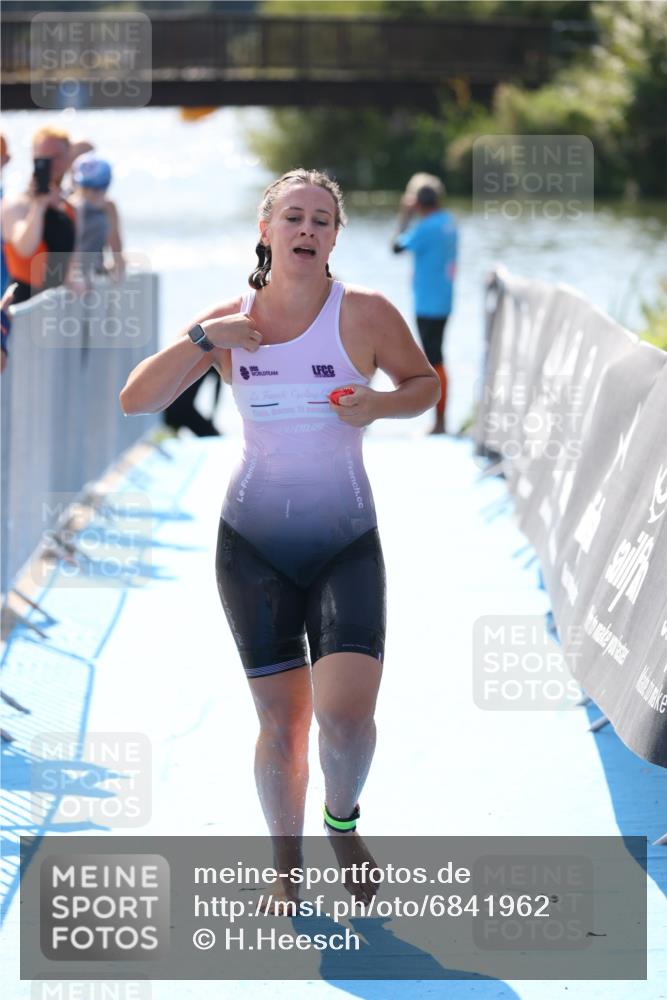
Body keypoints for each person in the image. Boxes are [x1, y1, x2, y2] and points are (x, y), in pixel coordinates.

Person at [119, 168, 440, 907]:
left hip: (345, 539)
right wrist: (205, 338)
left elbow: (423, 385)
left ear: (333, 236)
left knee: (347, 712)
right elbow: (136, 399)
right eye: (292, 217)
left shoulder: (363, 313)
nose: (306, 230)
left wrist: (381, 405)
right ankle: (285, 863)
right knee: (283, 722)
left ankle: (342, 819)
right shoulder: (232, 321)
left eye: (321, 220)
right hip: (253, 546)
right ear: (265, 230)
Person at [392, 172, 458, 435]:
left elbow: (395, 247)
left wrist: (404, 217)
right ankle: (441, 420)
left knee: (433, 359)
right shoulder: (449, 222)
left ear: (417, 202)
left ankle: (440, 422)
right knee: (437, 355)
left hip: (427, 303)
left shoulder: (425, 228)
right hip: (445, 298)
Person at [2, 126, 77, 304]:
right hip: (25, 304)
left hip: (58, 304)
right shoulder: (16, 204)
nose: (51, 163)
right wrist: (39, 205)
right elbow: (24, 248)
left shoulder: (69, 207)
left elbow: (73, 260)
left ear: (68, 158)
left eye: (57, 156)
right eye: (44, 157)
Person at [70, 152, 125, 283]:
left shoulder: (108, 207)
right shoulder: (69, 207)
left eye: (97, 188)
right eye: (86, 187)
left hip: (94, 274)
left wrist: (117, 274)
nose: (90, 193)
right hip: (71, 278)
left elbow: (116, 250)